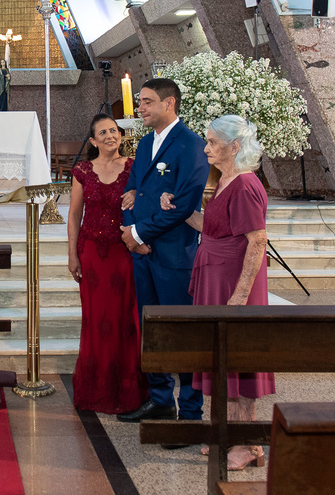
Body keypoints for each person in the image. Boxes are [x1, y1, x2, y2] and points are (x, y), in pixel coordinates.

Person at [162, 115, 275, 471]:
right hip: (215, 275)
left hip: (234, 282)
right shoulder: (223, 180)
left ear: (235, 147)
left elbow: (257, 241)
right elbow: (211, 227)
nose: (206, 148)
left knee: (240, 362)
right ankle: (225, 433)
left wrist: (240, 296)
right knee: (220, 359)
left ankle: (249, 443)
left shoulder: (244, 185)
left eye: (212, 142)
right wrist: (178, 210)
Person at [116, 79, 209, 429]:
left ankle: (190, 413)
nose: (140, 108)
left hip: (173, 256)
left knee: (180, 334)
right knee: (151, 330)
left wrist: (140, 232)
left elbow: (183, 204)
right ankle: (159, 400)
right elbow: (130, 193)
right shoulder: (143, 144)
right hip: (143, 253)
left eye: (147, 102)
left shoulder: (190, 145)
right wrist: (131, 234)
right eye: (140, 102)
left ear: (169, 104)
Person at [67, 114, 144, 413]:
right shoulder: (82, 171)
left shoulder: (134, 166)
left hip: (123, 251)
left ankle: (126, 390)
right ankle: (95, 389)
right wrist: (72, 254)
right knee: (96, 320)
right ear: (93, 140)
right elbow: (74, 215)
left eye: (114, 131)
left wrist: (137, 193)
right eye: (103, 132)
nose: (111, 136)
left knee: (125, 320)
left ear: (121, 137)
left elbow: (147, 198)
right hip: (91, 253)